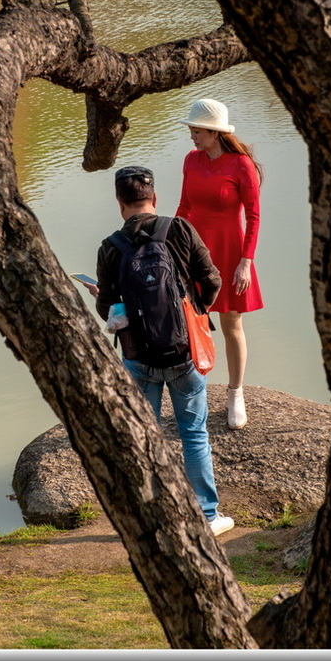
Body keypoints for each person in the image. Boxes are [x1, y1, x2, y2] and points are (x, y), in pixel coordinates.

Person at [91, 165, 235, 537]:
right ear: (154, 198)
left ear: (120, 202)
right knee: (194, 433)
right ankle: (208, 515)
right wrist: (197, 313)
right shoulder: (180, 229)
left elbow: (107, 308)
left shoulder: (111, 246)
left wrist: (107, 301)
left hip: (139, 359)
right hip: (185, 352)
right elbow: (213, 279)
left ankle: (153, 517)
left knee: (145, 435)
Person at [177, 99, 264, 429]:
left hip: (229, 252)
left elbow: (253, 217)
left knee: (231, 326)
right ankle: (193, 393)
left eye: (196, 131)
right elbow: (184, 207)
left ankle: (235, 394)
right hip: (194, 250)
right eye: (191, 130)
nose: (192, 136)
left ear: (214, 132)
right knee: (191, 322)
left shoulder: (241, 165)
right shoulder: (191, 160)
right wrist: (170, 246)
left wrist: (246, 262)